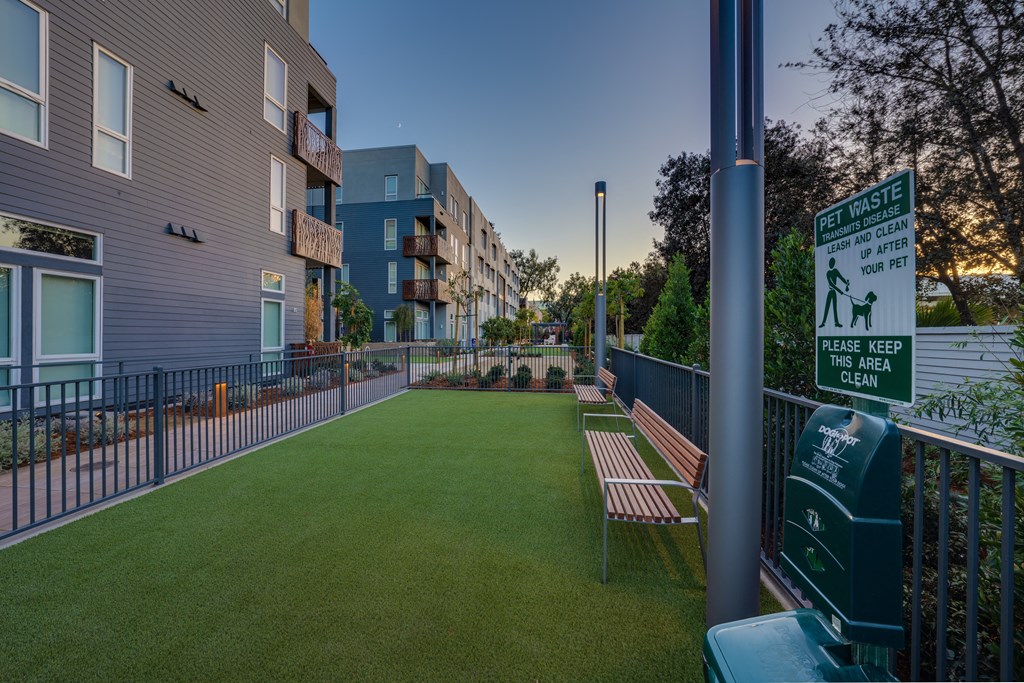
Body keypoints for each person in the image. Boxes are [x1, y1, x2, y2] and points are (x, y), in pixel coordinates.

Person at [819, 257, 850, 328]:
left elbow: (841, 278)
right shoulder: (828, 273)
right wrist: (840, 291)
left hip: (834, 293)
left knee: (834, 308)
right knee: (827, 307)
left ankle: (836, 322)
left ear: (834, 264)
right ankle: (823, 322)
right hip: (830, 292)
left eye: (832, 263)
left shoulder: (835, 271)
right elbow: (831, 284)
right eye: (830, 263)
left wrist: (846, 283)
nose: (831, 264)